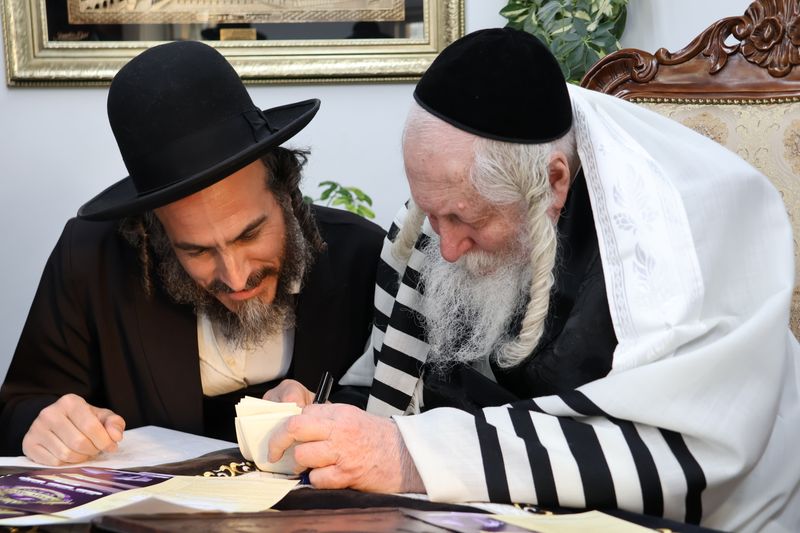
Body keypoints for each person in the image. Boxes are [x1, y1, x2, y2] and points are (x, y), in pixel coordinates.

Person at [264, 28, 800, 532]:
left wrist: (413, 455)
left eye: (466, 221)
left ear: (554, 183)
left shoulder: (676, 235)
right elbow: (399, 391)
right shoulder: (454, 200)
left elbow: (676, 452)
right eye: (431, 213)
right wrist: (328, 417)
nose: (445, 248)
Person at [0, 41, 385, 465]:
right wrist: (44, 425)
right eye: (197, 250)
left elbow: (400, 411)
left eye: (250, 235)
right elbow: (18, 410)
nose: (235, 277)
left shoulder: (364, 257)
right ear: (154, 230)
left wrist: (336, 413)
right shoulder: (92, 261)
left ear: (286, 193)